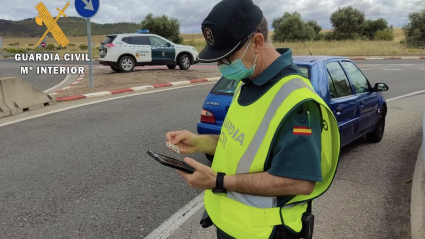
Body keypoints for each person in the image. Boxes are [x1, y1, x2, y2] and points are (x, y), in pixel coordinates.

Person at [165, 0, 341, 238]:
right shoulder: (248, 82)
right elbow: (242, 143)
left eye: (227, 57)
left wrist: (218, 181)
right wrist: (199, 142)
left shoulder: (297, 102)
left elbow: (299, 182)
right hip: (231, 225)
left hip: (266, 233)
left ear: (257, 42)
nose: (220, 65)